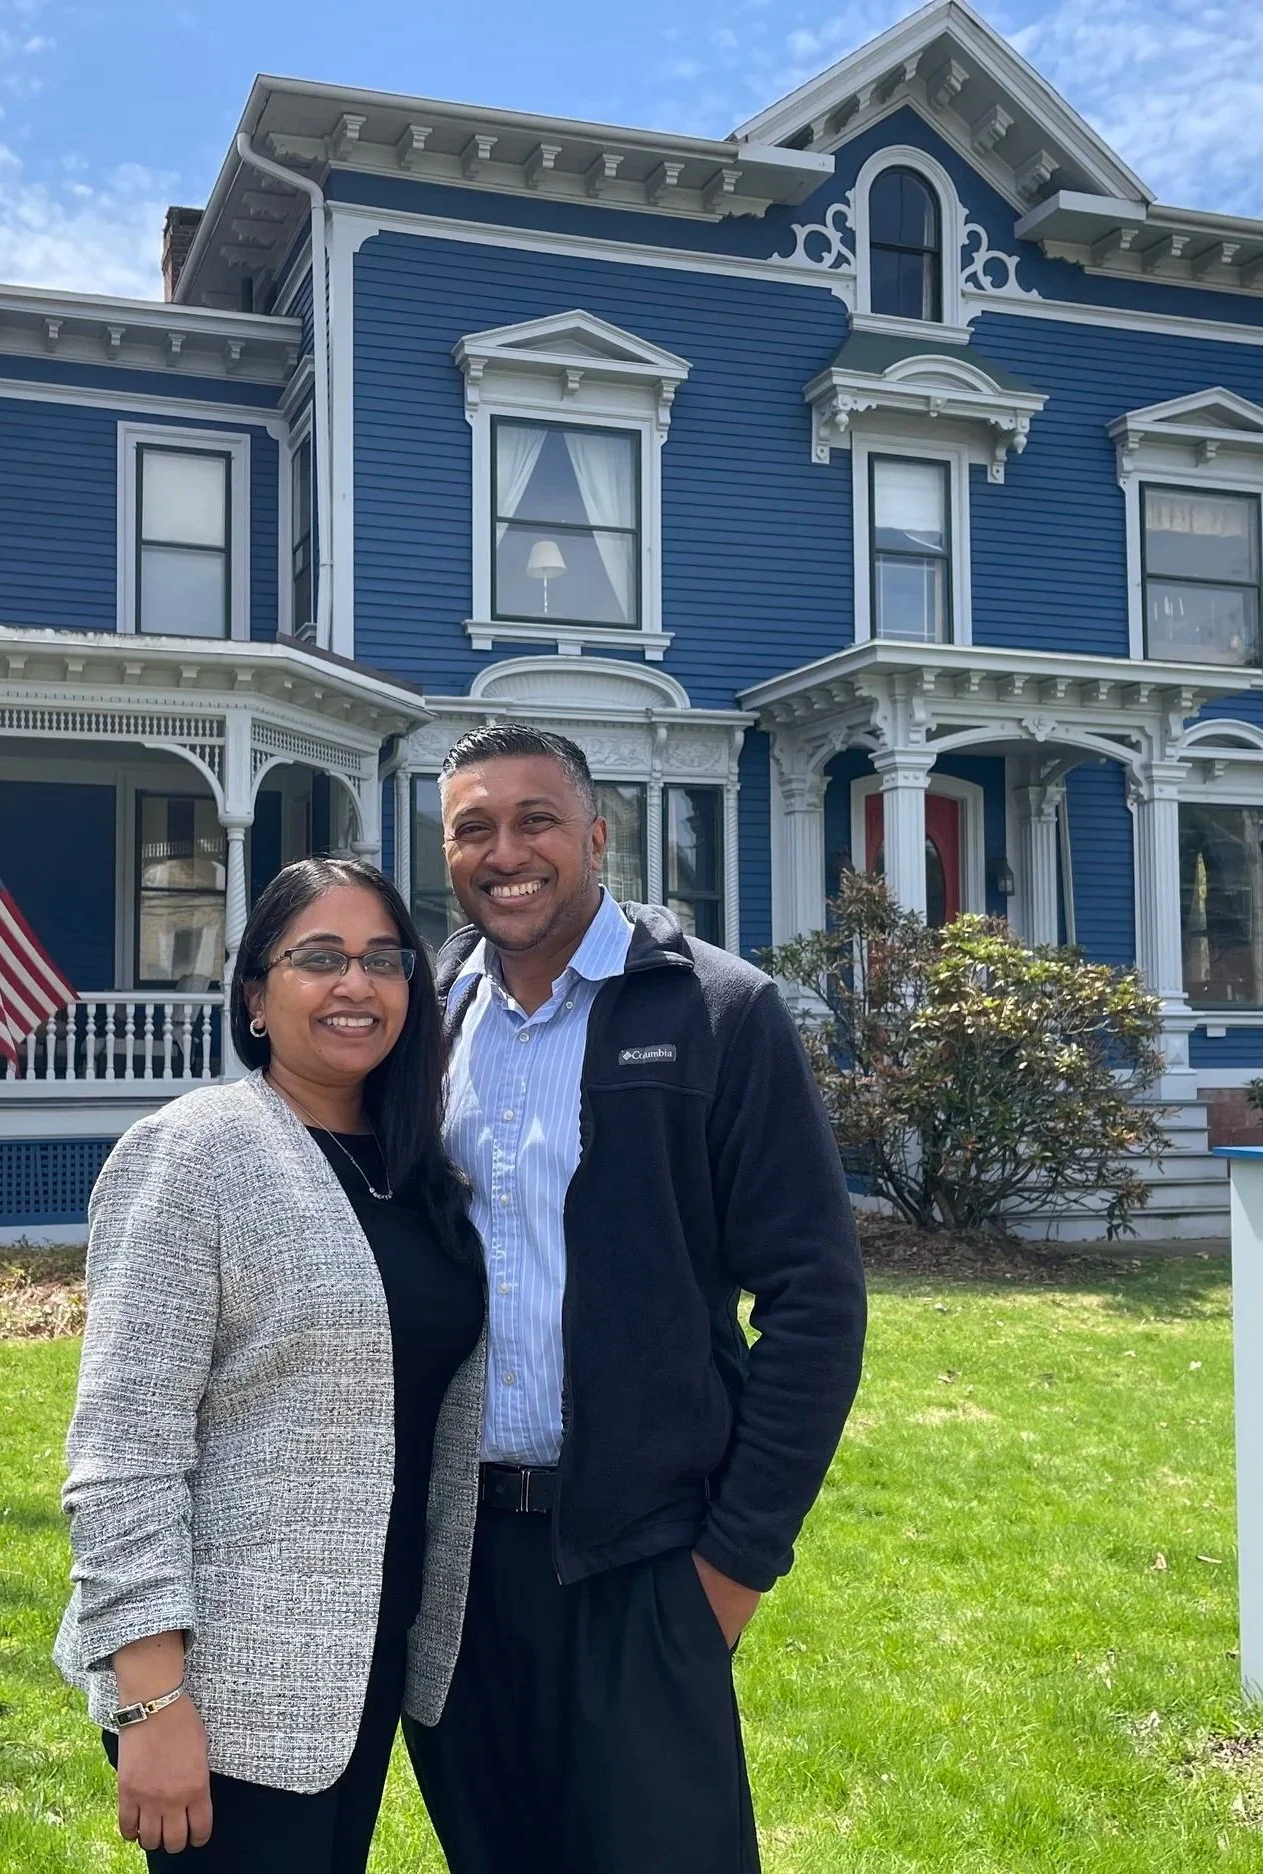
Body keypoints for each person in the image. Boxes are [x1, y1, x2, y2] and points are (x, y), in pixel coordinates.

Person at [402, 724, 868, 1874]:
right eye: (472, 827)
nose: (505, 851)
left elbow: (816, 1297)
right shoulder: (428, 1023)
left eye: (537, 820)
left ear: (598, 835)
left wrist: (731, 1567)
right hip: (459, 1561)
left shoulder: (716, 1009)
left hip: (646, 1556)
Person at [53, 857, 485, 1873]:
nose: (355, 983)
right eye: (319, 957)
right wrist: (152, 1698)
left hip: (368, 1658)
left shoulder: (420, 1174)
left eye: (384, 959)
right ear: (256, 995)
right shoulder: (193, 1153)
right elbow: (123, 1451)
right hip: (227, 1683)